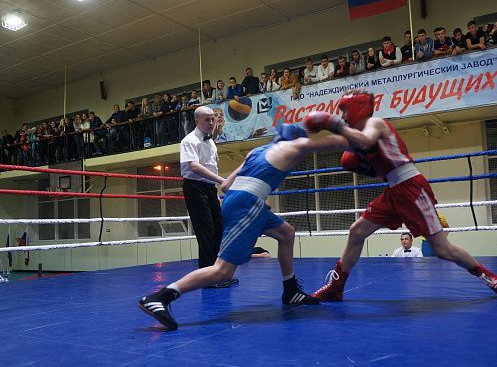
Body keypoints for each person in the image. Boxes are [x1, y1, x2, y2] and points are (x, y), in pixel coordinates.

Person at [304, 89, 497, 301]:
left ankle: (491, 279)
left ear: (358, 109)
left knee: (441, 248)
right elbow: (365, 157)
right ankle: (335, 287)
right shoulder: (357, 136)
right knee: (357, 232)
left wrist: (332, 124)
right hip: (393, 191)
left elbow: (365, 142)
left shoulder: (375, 123)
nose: (342, 117)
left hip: (411, 188)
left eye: (344, 111)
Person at [139, 122, 350, 330]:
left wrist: (257, 194)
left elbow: (226, 184)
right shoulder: (291, 147)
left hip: (245, 201)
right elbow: (336, 141)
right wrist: (345, 127)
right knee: (222, 272)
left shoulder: (257, 151)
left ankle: (290, 290)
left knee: (286, 233)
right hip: (246, 206)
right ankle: (160, 297)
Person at [179, 106, 236, 289]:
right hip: (194, 188)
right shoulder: (189, 140)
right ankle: (207, 278)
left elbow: (211, 167)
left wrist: (215, 188)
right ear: (197, 121)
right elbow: (194, 167)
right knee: (206, 232)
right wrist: (222, 181)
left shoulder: (211, 142)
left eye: (213, 119)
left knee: (220, 228)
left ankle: (218, 274)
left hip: (209, 188)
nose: (211, 123)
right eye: (207, 120)